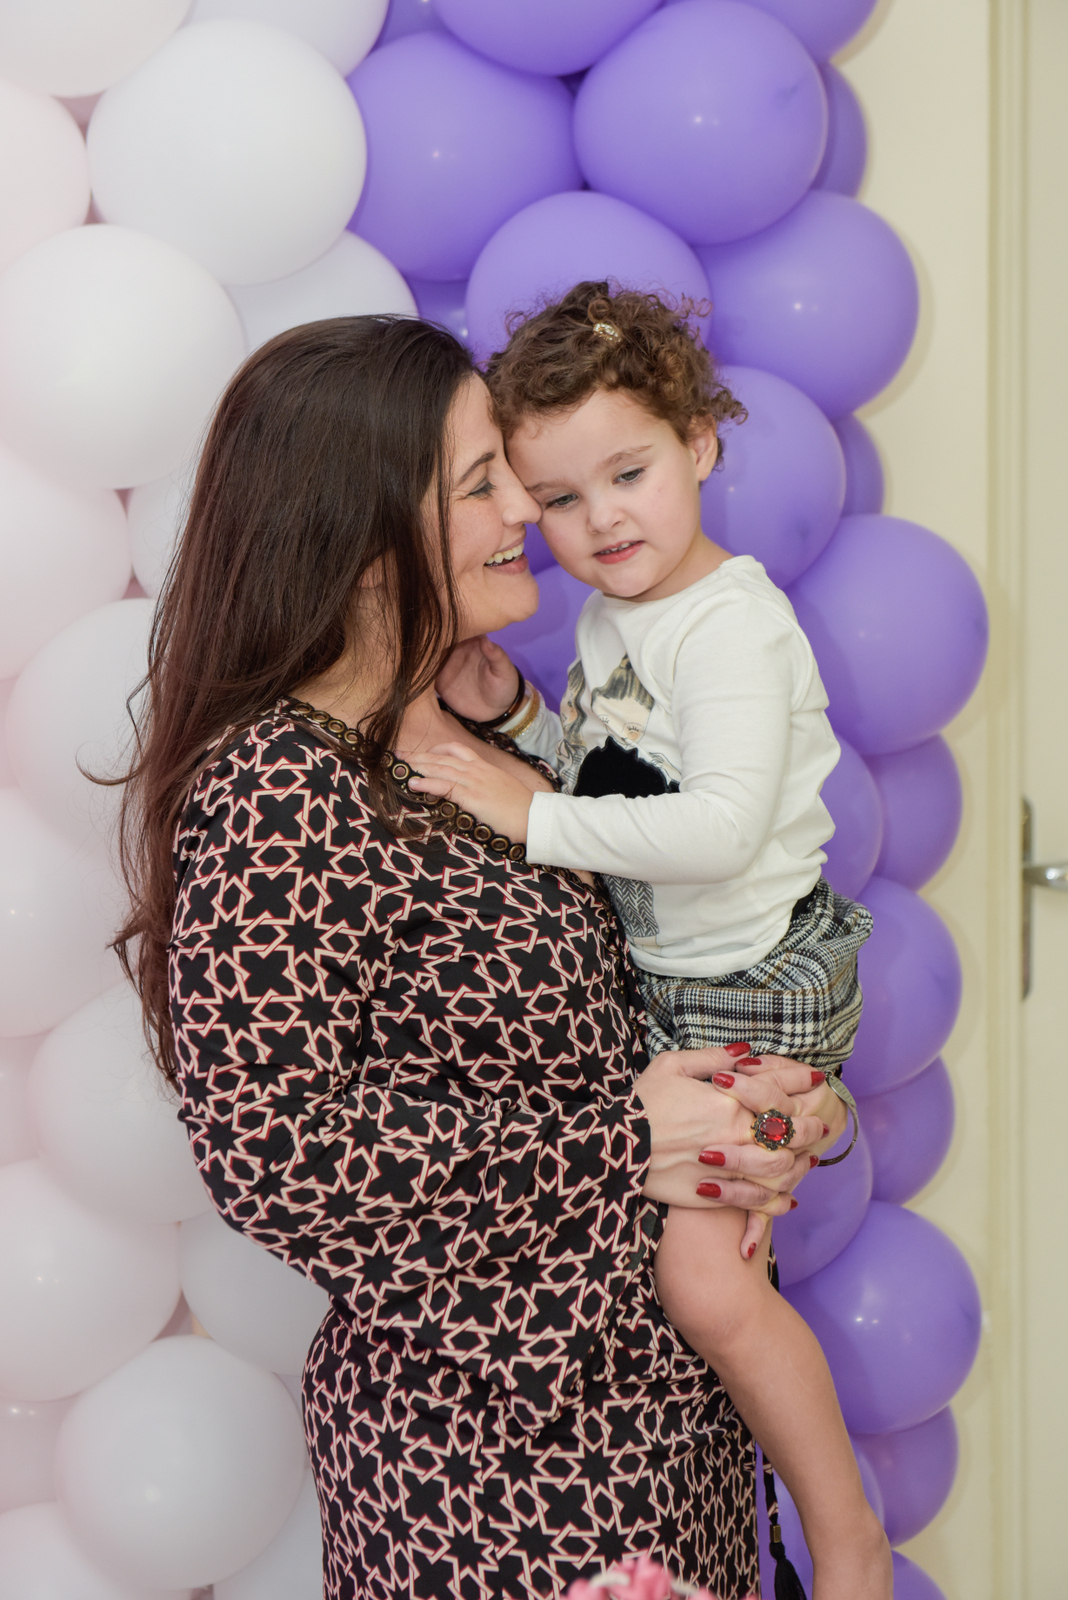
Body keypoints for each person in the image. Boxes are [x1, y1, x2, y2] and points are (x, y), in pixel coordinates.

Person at [113, 315, 842, 1600]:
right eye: (482, 482)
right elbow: (277, 1156)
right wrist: (626, 1138)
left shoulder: (470, 745)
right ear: (364, 532)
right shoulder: (280, 785)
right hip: (504, 1470)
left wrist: (773, 1098)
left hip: (669, 1434)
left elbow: (650, 983)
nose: (531, 509)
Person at [411, 284, 893, 1600]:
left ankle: (847, 1542)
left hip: (745, 985)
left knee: (711, 1291)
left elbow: (723, 826)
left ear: (702, 446)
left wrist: (533, 813)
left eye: (629, 473)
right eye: (558, 499)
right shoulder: (631, 616)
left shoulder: (732, 624)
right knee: (696, 1280)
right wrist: (523, 713)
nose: (600, 520)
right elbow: (633, 762)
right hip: (681, 986)